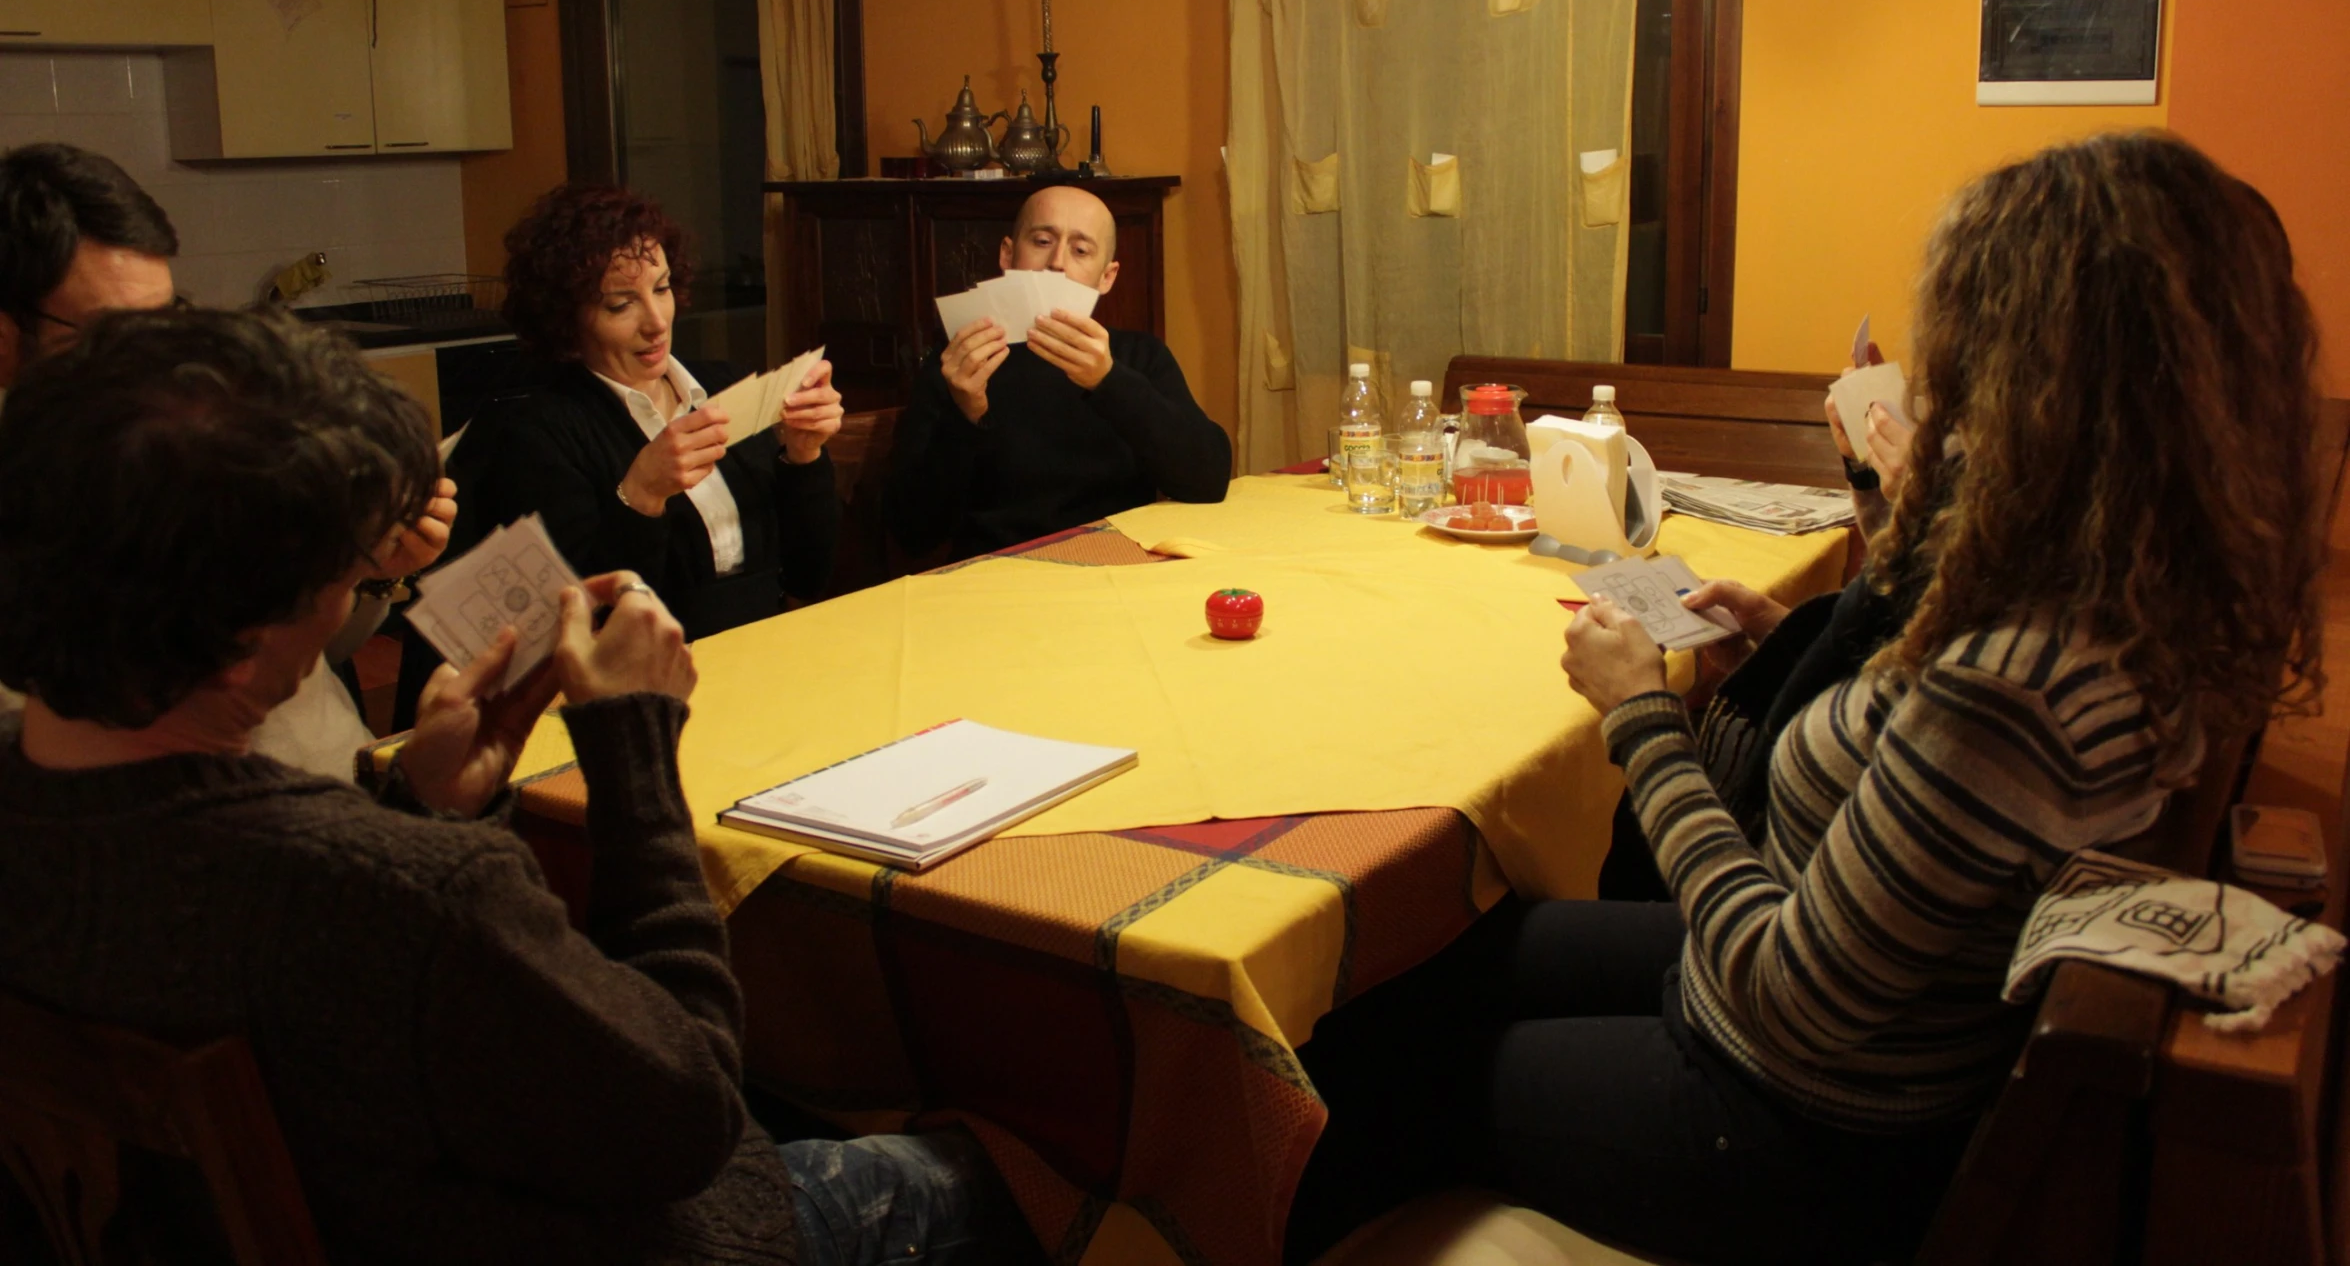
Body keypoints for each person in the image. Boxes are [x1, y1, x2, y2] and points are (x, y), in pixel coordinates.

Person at [1301, 132, 2328, 1266]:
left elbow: (1791, 996)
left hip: (1790, 1123)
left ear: (2046, 382)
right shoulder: (2107, 588)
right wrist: (1778, 645)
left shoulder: (2015, 683)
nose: (1939, 379)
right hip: (1826, 1023)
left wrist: (1644, 715)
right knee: (1426, 964)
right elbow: (1900, 783)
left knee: (1362, 1073)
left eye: (1963, 346)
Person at [0, 308, 1033, 1266]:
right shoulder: (405, 893)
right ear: (242, 642)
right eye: (342, 575)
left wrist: (424, 803)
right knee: (1034, 1171)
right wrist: (632, 753)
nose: (350, 600)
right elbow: (688, 1118)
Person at [0, 141, 453, 777]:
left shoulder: (201, 445)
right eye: (112, 335)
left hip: (340, 791)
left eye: (164, 322)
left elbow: (293, 659)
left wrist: (359, 569)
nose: (154, 360)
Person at [484, 184, 843, 639]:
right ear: (566, 319)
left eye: (662, 288)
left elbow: (810, 574)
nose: (656, 322)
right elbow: (585, 621)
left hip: (763, 648)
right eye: (621, 304)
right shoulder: (542, 433)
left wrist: (804, 456)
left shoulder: (723, 384)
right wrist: (640, 496)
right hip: (650, 677)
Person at [887, 185, 1231, 559]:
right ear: (1007, 255)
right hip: (999, 577)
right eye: (1042, 240)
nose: (1057, 263)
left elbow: (1208, 480)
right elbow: (912, 531)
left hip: (1122, 565)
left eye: (1080, 250)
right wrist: (965, 414)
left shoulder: (1138, 356)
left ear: (1107, 276)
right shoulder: (958, 364)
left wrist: (1109, 381)